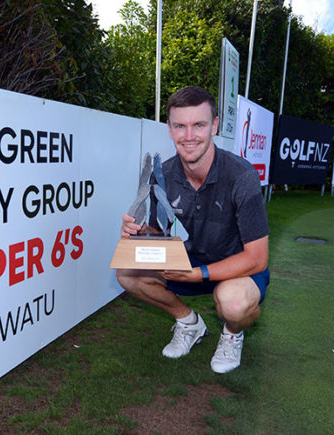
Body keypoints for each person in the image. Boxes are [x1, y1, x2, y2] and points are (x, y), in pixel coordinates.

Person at [116, 86, 270, 374]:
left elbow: (258, 258)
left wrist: (198, 274)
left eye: (198, 125)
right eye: (180, 126)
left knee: (235, 305)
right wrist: (136, 232)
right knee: (127, 274)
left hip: (238, 266)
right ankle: (189, 323)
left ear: (214, 127)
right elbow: (158, 233)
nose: (189, 136)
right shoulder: (163, 174)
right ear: (170, 130)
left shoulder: (242, 176)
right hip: (190, 260)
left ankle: (233, 333)